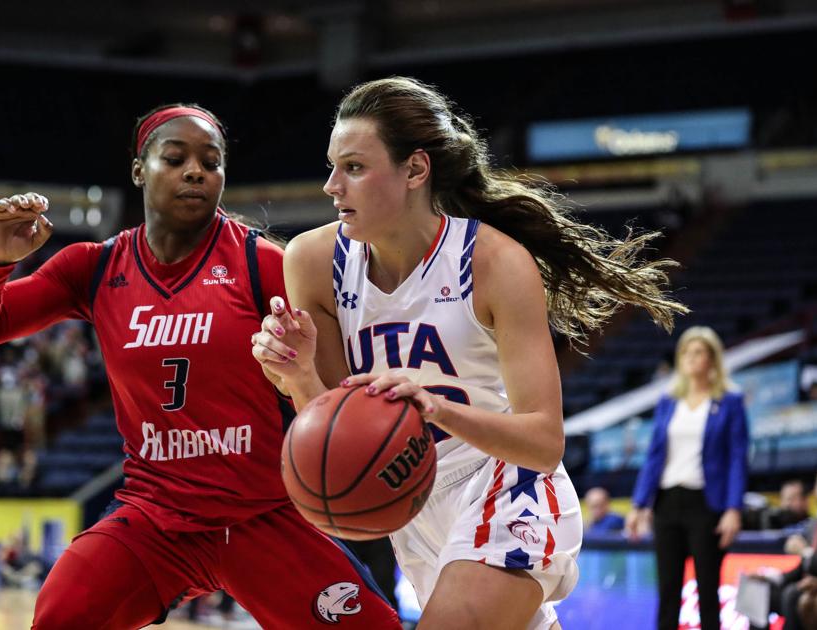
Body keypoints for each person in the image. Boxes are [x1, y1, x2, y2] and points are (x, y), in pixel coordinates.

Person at [252, 76, 685, 629]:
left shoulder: (494, 261)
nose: (332, 185)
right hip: (414, 502)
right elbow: (344, 435)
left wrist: (436, 408)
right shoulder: (312, 261)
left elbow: (544, 442)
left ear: (415, 170)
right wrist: (298, 376)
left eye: (355, 167)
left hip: (507, 485)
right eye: (333, 166)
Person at [0, 103, 400, 629]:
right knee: (60, 615)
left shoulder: (264, 265)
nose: (196, 171)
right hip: (153, 519)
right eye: (176, 157)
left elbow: (333, 390)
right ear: (140, 169)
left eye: (211, 162)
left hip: (262, 513)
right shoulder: (95, 268)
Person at [626, 326, 749, 630]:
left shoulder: (730, 402)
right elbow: (654, 456)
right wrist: (639, 504)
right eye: (685, 352)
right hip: (667, 503)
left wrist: (733, 509)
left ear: (712, 359)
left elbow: (737, 458)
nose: (690, 358)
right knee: (668, 592)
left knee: (708, 592)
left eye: (698, 352)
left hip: (706, 505)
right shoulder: (668, 402)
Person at [750, 465, 817, 630]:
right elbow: (802, 567)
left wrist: (805, 552)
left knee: (792, 593)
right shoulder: (814, 524)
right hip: (805, 583)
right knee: (757, 589)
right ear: (815, 488)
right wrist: (773, 577)